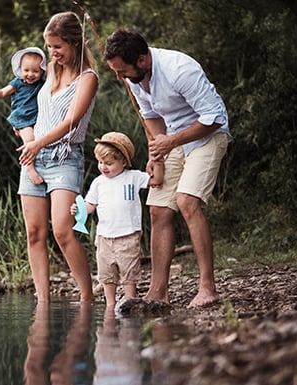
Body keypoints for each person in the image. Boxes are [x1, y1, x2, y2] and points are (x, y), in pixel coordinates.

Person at [103, 29, 231, 308]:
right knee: (159, 209)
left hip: (208, 136)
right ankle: (158, 292)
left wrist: (170, 141)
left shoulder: (179, 70)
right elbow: (151, 117)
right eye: (116, 71)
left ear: (142, 60)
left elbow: (214, 118)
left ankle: (207, 288)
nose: (120, 77)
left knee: (186, 201)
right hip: (173, 140)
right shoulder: (134, 78)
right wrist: (156, 152)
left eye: (122, 71)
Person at [17, 11, 99, 304]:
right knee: (34, 233)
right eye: (50, 47)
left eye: (58, 47)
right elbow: (23, 104)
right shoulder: (48, 69)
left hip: (65, 157)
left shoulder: (88, 78)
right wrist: (28, 139)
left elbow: (71, 123)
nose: (52, 53)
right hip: (34, 157)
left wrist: (37, 143)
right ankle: (43, 302)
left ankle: (87, 297)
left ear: (75, 43)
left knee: (63, 232)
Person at [70, 132, 159, 309]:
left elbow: (156, 180)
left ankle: (129, 300)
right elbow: (90, 205)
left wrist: (158, 160)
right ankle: (110, 304)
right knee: (106, 273)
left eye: (109, 163)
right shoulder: (98, 182)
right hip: (104, 237)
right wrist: (79, 209)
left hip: (128, 234)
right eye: (101, 162)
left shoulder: (132, 177)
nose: (103, 167)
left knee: (129, 271)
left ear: (124, 162)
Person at [0, 47, 47, 184]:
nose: (30, 74)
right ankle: (29, 168)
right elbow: (3, 92)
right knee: (30, 140)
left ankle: (41, 164)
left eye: (35, 71)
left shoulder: (42, 84)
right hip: (22, 118)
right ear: (20, 70)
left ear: (42, 70)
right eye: (26, 70)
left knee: (40, 139)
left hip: (37, 118)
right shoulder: (17, 83)